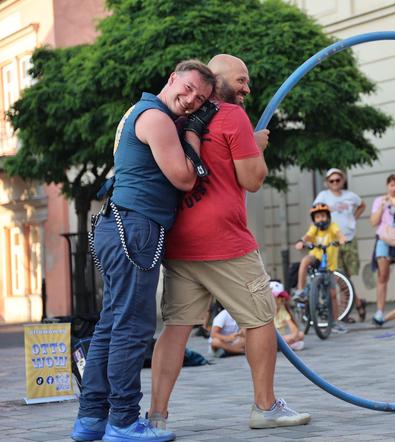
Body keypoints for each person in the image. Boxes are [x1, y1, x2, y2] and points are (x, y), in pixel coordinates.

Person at [147, 54, 310, 432]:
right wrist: (256, 147)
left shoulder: (176, 118)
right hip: (226, 242)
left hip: (181, 243)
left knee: (176, 327)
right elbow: (252, 179)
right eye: (241, 80)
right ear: (218, 80)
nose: (247, 88)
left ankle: (156, 415)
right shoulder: (233, 115)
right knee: (260, 318)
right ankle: (265, 407)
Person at [71, 60, 217, 442]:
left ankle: (90, 420)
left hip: (120, 223)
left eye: (199, 99)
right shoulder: (156, 118)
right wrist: (194, 134)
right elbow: (185, 178)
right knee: (132, 330)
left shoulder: (141, 111)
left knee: (110, 326)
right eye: (187, 89)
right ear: (172, 78)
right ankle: (122, 421)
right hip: (135, 226)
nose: (190, 100)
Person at [313, 168, 367, 322]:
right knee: (338, 276)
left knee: (347, 276)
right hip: (331, 242)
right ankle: (352, 308)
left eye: (338, 180)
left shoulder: (350, 196)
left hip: (348, 239)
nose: (335, 183)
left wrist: (353, 219)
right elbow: (316, 215)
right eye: (332, 181)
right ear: (327, 182)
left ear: (343, 180)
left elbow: (362, 205)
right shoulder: (322, 196)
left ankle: (352, 306)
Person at [293, 203, 348, 334]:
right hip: (317, 258)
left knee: (333, 295)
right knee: (305, 261)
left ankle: (335, 322)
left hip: (329, 265)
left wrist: (342, 239)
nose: (321, 219)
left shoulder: (332, 227)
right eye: (317, 217)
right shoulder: (314, 229)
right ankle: (301, 291)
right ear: (314, 219)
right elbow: (307, 237)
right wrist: (301, 242)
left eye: (323, 216)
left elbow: (339, 234)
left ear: (328, 217)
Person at [369, 174, 395, 324]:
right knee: (382, 276)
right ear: (387, 186)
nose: (394, 188)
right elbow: (373, 222)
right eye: (391, 185)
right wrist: (382, 206)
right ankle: (379, 311)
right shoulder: (379, 200)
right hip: (384, 239)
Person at [270, 281, 305, 351]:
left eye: (281, 298)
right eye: (277, 297)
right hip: (269, 339)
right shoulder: (265, 312)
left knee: (300, 334)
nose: (280, 301)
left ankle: (282, 346)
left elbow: (294, 329)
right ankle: (287, 346)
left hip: (281, 339)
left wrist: (294, 336)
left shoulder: (282, 311)